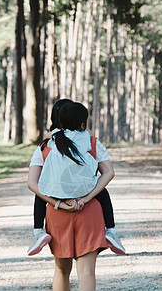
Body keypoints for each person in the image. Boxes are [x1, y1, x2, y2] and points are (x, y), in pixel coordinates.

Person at [27, 102, 119, 290]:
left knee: (61, 271)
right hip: (90, 211)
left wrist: (59, 204)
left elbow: (33, 184)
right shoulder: (92, 143)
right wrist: (85, 199)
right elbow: (108, 172)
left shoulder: (45, 147)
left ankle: (37, 234)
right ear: (83, 124)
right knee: (87, 273)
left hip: (57, 213)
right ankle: (113, 232)